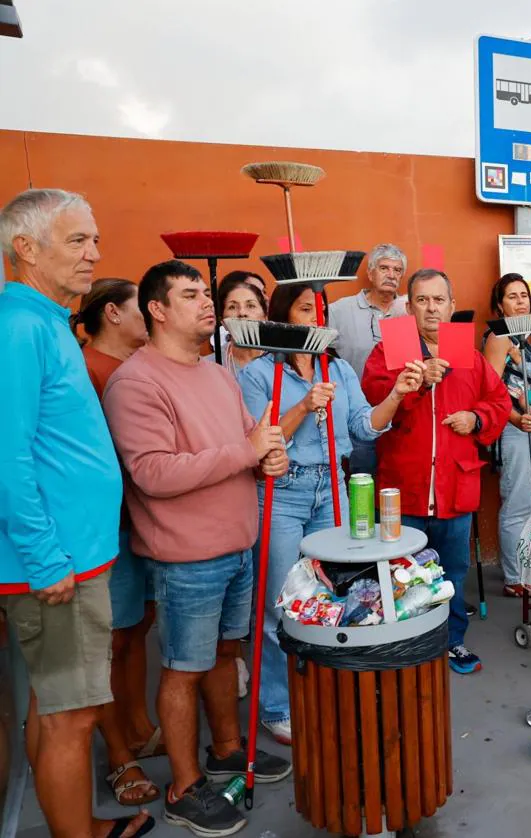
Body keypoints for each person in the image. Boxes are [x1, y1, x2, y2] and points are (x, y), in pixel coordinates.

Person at [104, 259, 292, 837]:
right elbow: (154, 473)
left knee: (225, 654)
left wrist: (268, 459)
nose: (208, 304)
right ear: (157, 310)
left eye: (205, 294)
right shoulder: (136, 382)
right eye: (191, 296)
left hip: (238, 544)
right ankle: (185, 787)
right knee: (183, 668)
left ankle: (227, 750)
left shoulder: (215, 374)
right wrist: (247, 451)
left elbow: (245, 444)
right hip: (185, 556)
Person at [0, 188, 153, 838]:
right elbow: (8, 457)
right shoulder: (20, 327)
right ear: (25, 248)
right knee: (74, 717)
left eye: (94, 239)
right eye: (77, 241)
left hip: (70, 558)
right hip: (56, 568)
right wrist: (45, 560)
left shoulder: (43, 320)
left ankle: (77, 823)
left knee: (53, 707)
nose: (95, 253)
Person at [237, 283, 421, 744]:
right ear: (283, 316)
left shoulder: (336, 366)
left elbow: (364, 426)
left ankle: (328, 688)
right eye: (305, 308)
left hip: (334, 486)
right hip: (283, 490)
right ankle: (278, 703)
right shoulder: (259, 373)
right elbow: (264, 439)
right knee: (281, 601)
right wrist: (304, 404)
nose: (316, 316)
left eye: (320, 308)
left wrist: (396, 393)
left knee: (333, 594)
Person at [362, 268, 510, 675]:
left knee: (451, 573)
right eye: (422, 300)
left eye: (439, 300)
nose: (431, 308)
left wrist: (476, 419)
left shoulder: (465, 350)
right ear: (408, 307)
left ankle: (452, 641)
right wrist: (418, 384)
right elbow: (374, 405)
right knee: (399, 574)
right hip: (403, 486)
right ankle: (403, 646)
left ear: (451, 305)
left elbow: (498, 402)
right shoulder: (393, 346)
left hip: (455, 485)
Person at [75, 279, 165, 806]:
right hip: (106, 529)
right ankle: (117, 756)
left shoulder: (134, 368)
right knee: (111, 641)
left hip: (141, 521)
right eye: (140, 310)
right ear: (112, 314)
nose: (149, 320)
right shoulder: (88, 372)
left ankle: (137, 725)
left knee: (135, 631)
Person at [482, 273, 531, 597]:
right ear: (499, 305)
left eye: (524, 295)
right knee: (518, 502)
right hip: (511, 427)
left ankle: (529, 568)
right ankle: (512, 577)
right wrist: (518, 418)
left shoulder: (529, 337)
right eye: (512, 296)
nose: (521, 301)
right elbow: (490, 390)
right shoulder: (499, 336)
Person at [328, 243, 409, 476]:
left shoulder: (409, 309)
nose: (391, 275)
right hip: (357, 415)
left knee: (396, 483)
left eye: (397, 270)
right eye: (384, 268)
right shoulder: (340, 311)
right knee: (362, 483)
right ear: (370, 272)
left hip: (401, 417)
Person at [212, 270, 269, 373]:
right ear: (222, 322)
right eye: (232, 307)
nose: (242, 313)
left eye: (250, 305)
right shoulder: (211, 365)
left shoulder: (281, 361)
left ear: (265, 316)